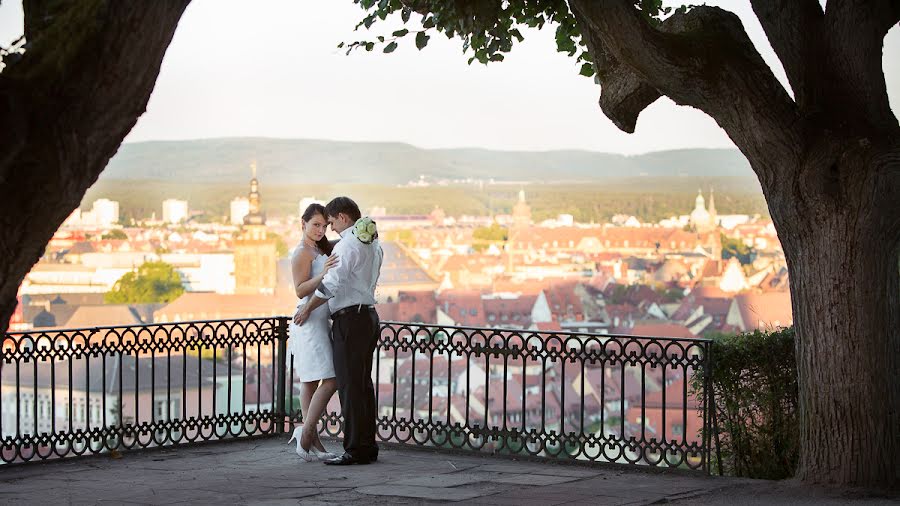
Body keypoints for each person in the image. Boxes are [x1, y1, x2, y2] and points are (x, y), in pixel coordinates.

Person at [294, 196, 383, 465]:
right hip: (368, 317)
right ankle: (367, 446)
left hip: (350, 320)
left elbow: (330, 285)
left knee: (350, 388)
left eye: (331, 222)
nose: (330, 229)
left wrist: (308, 308)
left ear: (343, 218)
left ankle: (355, 449)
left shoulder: (348, 245)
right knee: (364, 386)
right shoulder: (374, 243)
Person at [286, 203, 339, 462]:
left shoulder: (319, 248)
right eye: (316, 224)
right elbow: (299, 289)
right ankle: (307, 433)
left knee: (309, 380)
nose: (320, 229)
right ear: (303, 223)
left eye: (324, 225)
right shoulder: (301, 253)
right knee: (329, 378)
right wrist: (324, 274)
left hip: (319, 318)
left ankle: (310, 437)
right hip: (308, 318)